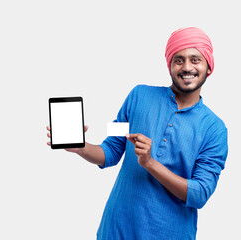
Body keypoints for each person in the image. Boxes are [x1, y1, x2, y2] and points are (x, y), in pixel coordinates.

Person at [46, 27, 228, 240]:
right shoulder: (138, 96)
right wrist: (82, 148)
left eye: (195, 60)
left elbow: (199, 194)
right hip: (115, 230)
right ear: (169, 64)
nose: (187, 67)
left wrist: (150, 163)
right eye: (179, 60)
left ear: (208, 67)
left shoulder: (215, 129)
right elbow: (111, 150)